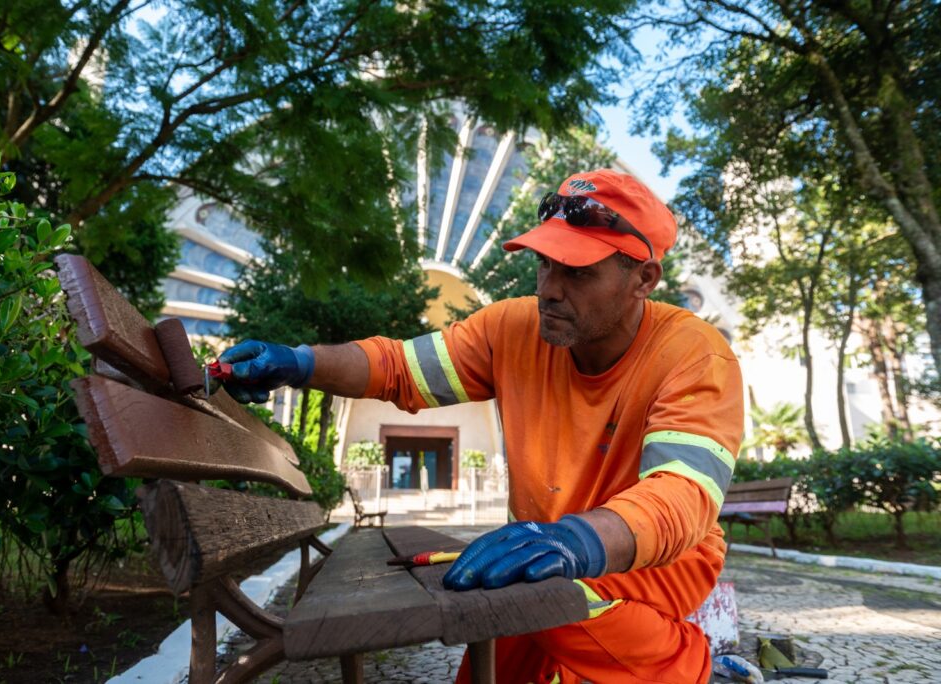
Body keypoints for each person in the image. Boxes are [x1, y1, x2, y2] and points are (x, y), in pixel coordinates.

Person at [220, 169, 743, 683]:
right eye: (544, 263)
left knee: (545, 604)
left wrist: (574, 540)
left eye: (578, 273)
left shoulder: (694, 354)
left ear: (644, 279)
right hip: (541, 546)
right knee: (496, 641)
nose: (549, 290)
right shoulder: (512, 328)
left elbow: (682, 494)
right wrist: (300, 363)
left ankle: (694, 671)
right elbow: (400, 368)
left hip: (654, 558)